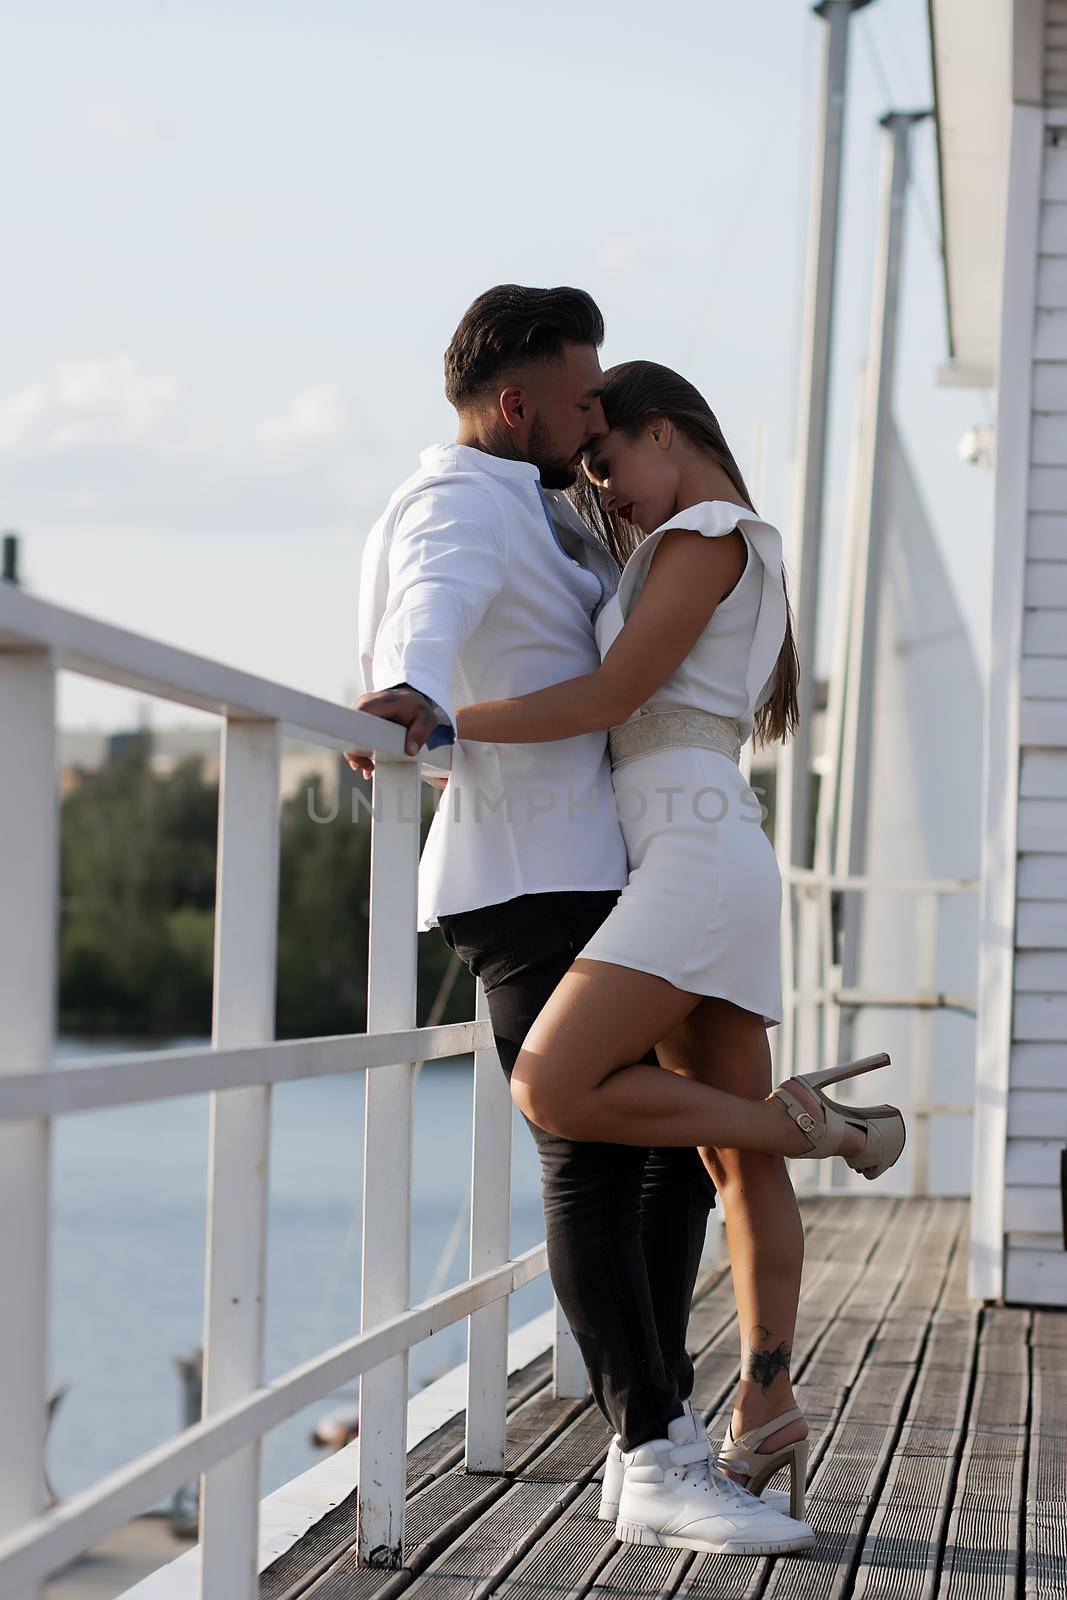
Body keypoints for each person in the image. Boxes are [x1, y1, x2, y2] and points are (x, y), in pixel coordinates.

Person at [350, 284, 823, 1557]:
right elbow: (433, 600)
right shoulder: (468, 498)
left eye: (612, 438)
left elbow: (613, 682)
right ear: (517, 402)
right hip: (563, 862)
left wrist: (448, 716)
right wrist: (412, 691)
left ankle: (663, 1441)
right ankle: (666, 1443)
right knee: (596, 1138)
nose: (595, 454)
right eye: (579, 414)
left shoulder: (638, 525)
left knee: (653, 1159)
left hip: (640, 853)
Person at [443, 358, 905, 1550]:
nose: (609, 493)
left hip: (690, 857)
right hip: (692, 851)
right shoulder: (682, 542)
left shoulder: (708, 531)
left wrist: (443, 723)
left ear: (666, 429)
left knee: (554, 1083)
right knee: (723, 1150)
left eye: (611, 464)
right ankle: (765, 1390)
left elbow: (609, 693)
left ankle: (829, 1128)